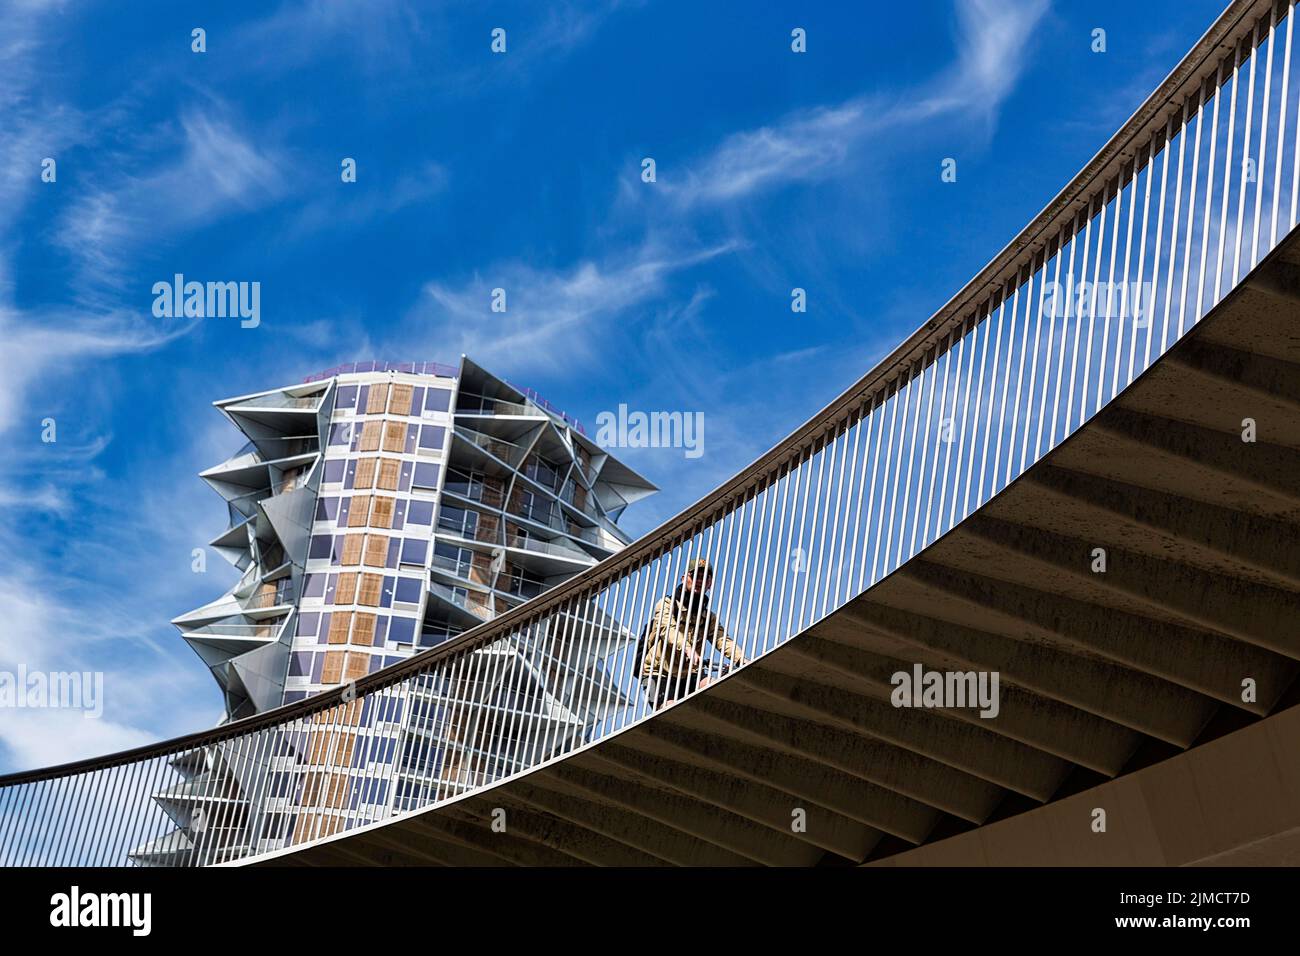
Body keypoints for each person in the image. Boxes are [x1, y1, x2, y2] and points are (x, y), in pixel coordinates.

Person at [639, 558, 745, 709]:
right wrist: (688, 648)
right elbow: (667, 629)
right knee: (670, 712)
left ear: (710, 584)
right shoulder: (666, 604)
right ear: (684, 579)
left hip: (689, 674)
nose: (699, 581)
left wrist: (742, 661)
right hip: (655, 674)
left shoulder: (708, 618)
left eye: (704, 578)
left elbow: (722, 640)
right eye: (695, 576)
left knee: (717, 691)